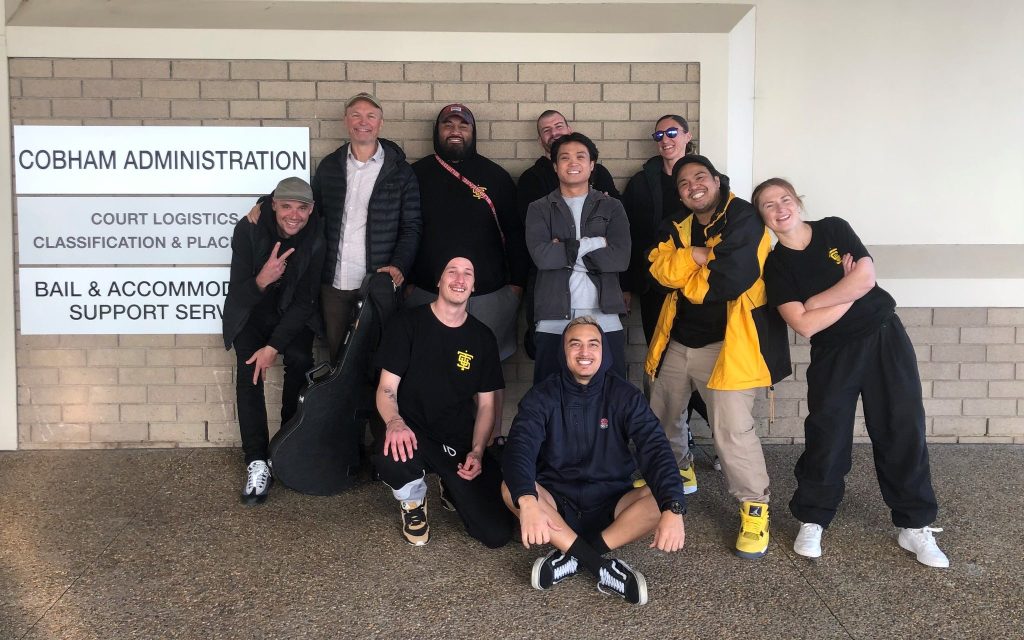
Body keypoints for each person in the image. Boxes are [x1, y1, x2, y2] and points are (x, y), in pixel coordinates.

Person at [753, 177, 948, 568]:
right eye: (769, 205)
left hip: (884, 337)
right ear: (763, 218)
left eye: (785, 199)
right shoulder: (775, 265)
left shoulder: (835, 229)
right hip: (834, 353)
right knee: (828, 433)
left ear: (798, 202)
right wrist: (847, 287)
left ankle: (914, 525)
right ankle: (813, 517)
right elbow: (804, 326)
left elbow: (866, 279)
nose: (780, 209)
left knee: (901, 427)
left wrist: (818, 300)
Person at [645, 154, 791, 559]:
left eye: (700, 177)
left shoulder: (743, 216)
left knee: (732, 432)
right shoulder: (679, 224)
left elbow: (730, 279)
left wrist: (689, 264)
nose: (693, 186)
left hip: (731, 346)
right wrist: (699, 256)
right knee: (661, 414)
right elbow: (658, 271)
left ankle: (755, 508)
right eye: (683, 183)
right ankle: (677, 471)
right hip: (677, 339)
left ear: (715, 179)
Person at [501, 317, 686, 606]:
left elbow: (656, 448)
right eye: (575, 344)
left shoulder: (625, 396)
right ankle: (600, 566)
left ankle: (573, 555)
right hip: (558, 502)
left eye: (593, 344)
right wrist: (527, 502)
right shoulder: (542, 395)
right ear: (563, 352)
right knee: (510, 488)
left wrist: (674, 508)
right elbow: (519, 448)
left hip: (611, 501)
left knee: (659, 497)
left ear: (604, 351)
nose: (584, 352)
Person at [249, 92, 421, 363]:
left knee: (379, 360)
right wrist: (267, 201)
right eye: (356, 115)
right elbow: (307, 204)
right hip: (334, 286)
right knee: (340, 363)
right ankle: (345, 408)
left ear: (381, 123)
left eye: (370, 116)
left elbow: (411, 225)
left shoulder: (401, 172)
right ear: (345, 121)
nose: (363, 122)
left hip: (377, 284)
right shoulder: (331, 166)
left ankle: (375, 408)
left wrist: (399, 265)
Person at [372, 256, 514, 548]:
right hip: (412, 432)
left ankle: (450, 483)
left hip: (456, 441)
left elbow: (487, 404)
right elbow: (386, 388)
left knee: (496, 533)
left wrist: (477, 451)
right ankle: (412, 502)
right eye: (452, 272)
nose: (459, 280)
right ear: (439, 280)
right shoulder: (408, 324)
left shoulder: (482, 337)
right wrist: (395, 422)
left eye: (467, 274)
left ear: (473, 286)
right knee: (392, 451)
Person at [408, 103, 528, 440]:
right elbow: (403, 231)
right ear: (437, 130)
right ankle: (436, 447)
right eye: (448, 124)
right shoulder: (415, 175)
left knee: (485, 375)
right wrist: (407, 283)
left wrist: (516, 285)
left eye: (463, 125)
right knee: (430, 371)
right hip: (427, 294)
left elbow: (515, 235)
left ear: (473, 132)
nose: (455, 130)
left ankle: (486, 449)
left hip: (490, 295)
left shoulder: (496, 176)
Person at [223, 177, 325, 505]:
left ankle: (285, 447)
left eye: (302, 208)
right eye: (286, 206)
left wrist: (274, 347)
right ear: (273, 205)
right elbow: (238, 293)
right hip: (251, 312)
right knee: (249, 372)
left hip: (292, 315)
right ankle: (256, 460)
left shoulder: (315, 237)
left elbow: (305, 301)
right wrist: (262, 280)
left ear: (311, 210)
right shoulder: (249, 229)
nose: (294, 215)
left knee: (298, 360)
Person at [623, 114, 710, 465]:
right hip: (656, 288)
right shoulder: (642, 182)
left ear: (687, 136)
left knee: (702, 364)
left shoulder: (707, 181)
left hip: (703, 292)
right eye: (659, 134)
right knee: (664, 364)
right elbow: (628, 237)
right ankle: (675, 441)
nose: (665, 139)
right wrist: (627, 286)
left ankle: (707, 430)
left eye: (672, 132)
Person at [525, 132, 630, 384]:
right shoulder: (539, 208)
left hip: (604, 314)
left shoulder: (612, 207)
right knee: (548, 392)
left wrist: (564, 250)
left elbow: (620, 258)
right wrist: (595, 244)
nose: (573, 162)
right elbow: (543, 257)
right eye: (564, 157)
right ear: (555, 166)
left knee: (612, 393)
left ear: (592, 165)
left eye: (580, 156)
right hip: (553, 316)